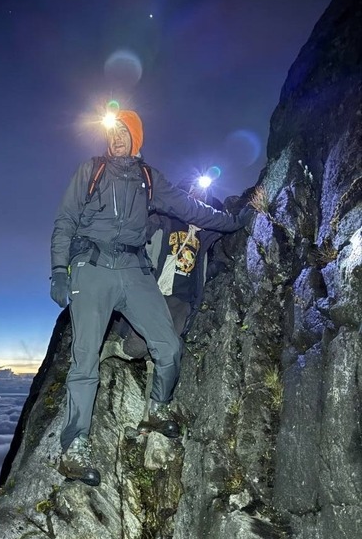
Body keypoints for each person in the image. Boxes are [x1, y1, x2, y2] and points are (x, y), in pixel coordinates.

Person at [50, 110, 252, 486]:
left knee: (169, 346)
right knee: (85, 359)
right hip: (92, 267)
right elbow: (65, 220)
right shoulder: (91, 169)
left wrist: (234, 221)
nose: (117, 138)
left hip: (134, 270)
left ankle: (157, 409)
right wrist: (60, 270)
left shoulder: (149, 178)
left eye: (124, 132)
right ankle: (74, 447)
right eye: (112, 132)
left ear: (136, 138)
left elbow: (191, 209)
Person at [106, 179, 229, 360]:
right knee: (139, 344)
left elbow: (224, 225)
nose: (197, 198)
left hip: (183, 298)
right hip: (157, 289)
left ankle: (151, 366)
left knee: (169, 341)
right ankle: (116, 349)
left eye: (202, 197)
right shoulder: (165, 219)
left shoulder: (203, 234)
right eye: (192, 193)